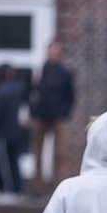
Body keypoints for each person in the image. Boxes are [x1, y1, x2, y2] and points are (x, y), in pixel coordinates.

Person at [29, 40, 76, 191]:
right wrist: (33, 110)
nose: (52, 54)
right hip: (40, 116)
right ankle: (37, 185)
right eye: (50, 51)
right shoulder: (39, 71)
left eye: (55, 51)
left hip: (59, 117)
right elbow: (28, 91)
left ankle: (60, 184)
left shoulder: (65, 73)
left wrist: (65, 112)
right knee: (37, 152)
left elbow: (71, 95)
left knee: (60, 153)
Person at [0, 63, 27, 203]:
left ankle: (6, 190)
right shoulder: (19, 89)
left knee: (3, 163)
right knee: (14, 162)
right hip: (16, 133)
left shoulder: (0, 90)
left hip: (3, 133)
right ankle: (15, 189)